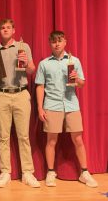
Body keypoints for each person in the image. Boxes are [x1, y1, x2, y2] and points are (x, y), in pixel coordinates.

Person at [0, 18, 40, 188]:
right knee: (3, 137)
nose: (5, 30)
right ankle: (5, 172)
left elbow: (32, 70)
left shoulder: (23, 46)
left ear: (13, 30)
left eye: (8, 27)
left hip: (21, 94)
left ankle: (27, 173)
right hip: (0, 95)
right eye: (2, 28)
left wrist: (26, 62)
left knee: (23, 136)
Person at [35, 30, 98, 187]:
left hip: (71, 104)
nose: (57, 44)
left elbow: (82, 83)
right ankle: (50, 172)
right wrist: (39, 107)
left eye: (60, 40)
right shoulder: (44, 63)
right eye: (54, 41)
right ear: (50, 43)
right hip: (51, 105)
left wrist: (77, 79)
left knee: (78, 139)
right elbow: (40, 86)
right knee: (51, 140)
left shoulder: (74, 61)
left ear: (65, 42)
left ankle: (84, 172)